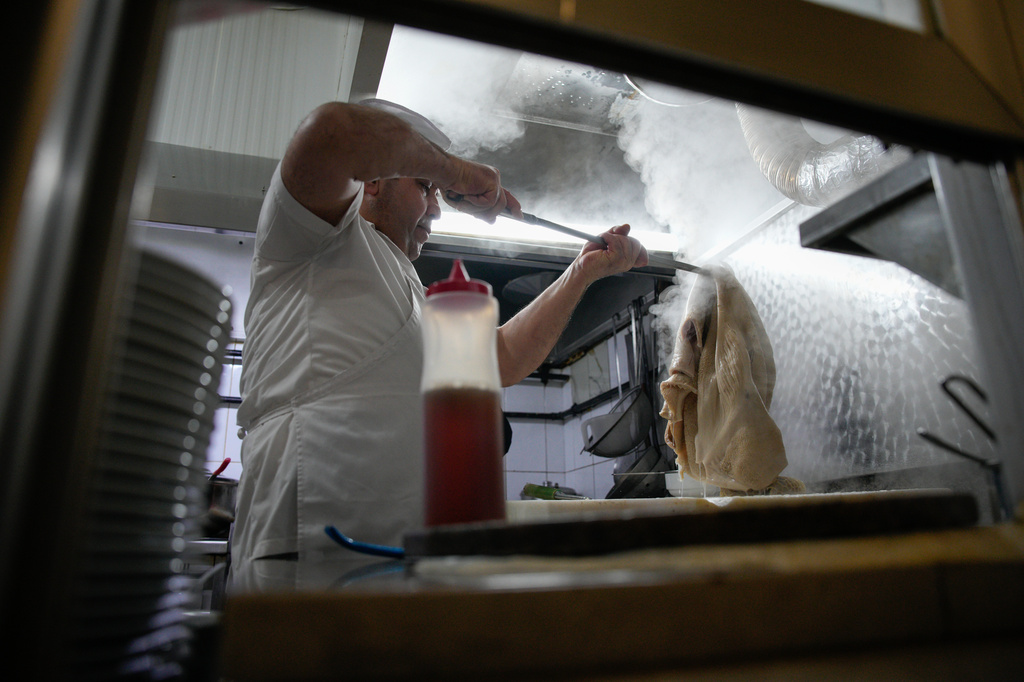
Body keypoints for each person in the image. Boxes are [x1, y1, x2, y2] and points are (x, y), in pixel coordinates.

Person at [229, 99, 648, 589]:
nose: (436, 208)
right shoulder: (312, 239)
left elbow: (499, 359)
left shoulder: (412, 292)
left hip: (397, 554)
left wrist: (582, 273)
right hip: (314, 549)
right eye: (424, 188)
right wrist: (459, 175)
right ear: (373, 182)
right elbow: (335, 132)